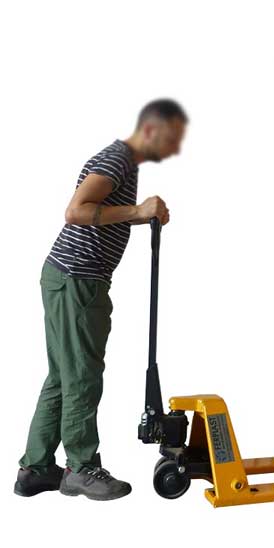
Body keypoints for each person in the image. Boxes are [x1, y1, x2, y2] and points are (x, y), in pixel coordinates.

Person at [14, 99, 188, 501]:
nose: (175, 147)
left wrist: (138, 215)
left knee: (62, 376)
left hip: (67, 278)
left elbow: (100, 210)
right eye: (172, 137)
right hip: (78, 282)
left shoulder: (122, 162)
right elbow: (76, 211)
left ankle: (36, 469)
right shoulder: (117, 160)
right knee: (81, 377)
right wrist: (138, 208)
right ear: (151, 129)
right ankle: (81, 467)